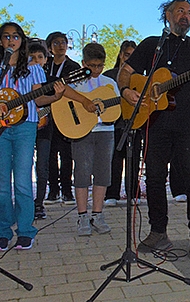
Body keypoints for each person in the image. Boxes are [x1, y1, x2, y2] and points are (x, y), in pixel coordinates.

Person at [118, 0, 190, 260]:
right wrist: (126, 90)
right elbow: (125, 71)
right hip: (155, 124)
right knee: (154, 179)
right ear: (168, 15)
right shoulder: (151, 45)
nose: (186, 15)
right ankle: (158, 231)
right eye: (180, 11)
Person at [0, 22, 68, 250]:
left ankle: (26, 231)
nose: (11, 40)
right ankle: (1, 231)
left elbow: (38, 99)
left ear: (22, 40)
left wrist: (55, 98)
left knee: (22, 182)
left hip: (25, 128)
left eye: (16, 36)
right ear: (0, 41)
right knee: (0, 184)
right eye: (6, 36)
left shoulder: (34, 67)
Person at [70, 43, 116, 236]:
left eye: (100, 66)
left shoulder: (109, 83)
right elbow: (66, 101)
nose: (96, 70)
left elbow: (116, 107)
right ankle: (82, 215)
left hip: (106, 131)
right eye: (92, 65)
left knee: (103, 173)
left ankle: (97, 214)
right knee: (82, 171)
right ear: (83, 63)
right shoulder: (75, 83)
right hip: (82, 131)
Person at [44, 31, 80, 205]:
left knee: (67, 154)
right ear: (50, 47)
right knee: (49, 153)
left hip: (66, 112)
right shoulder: (44, 64)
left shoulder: (73, 67)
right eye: (56, 43)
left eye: (63, 42)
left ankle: (67, 190)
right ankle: (53, 190)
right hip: (45, 113)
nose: (61, 46)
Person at [103, 40, 139, 207]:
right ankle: (112, 194)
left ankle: (132, 194)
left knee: (133, 160)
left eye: (133, 56)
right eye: (126, 55)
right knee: (114, 160)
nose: (128, 58)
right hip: (114, 124)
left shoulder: (140, 76)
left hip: (135, 123)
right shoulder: (109, 76)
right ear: (120, 55)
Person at [28, 42, 51, 219]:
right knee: (24, 166)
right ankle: (25, 203)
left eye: (40, 57)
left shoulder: (50, 81)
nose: (36, 61)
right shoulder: (20, 79)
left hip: (45, 129)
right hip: (23, 126)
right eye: (31, 58)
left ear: (46, 59)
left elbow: (54, 103)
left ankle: (39, 203)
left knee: (42, 167)